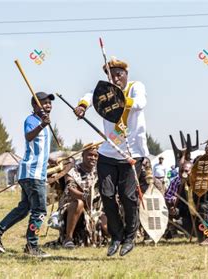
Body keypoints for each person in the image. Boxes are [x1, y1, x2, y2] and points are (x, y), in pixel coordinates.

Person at [74, 57, 149, 256]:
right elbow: (91, 95)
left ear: (126, 75)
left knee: (127, 196)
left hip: (132, 154)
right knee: (107, 195)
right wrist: (82, 106)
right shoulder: (105, 92)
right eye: (111, 75)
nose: (116, 79)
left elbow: (141, 103)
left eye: (119, 75)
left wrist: (119, 98)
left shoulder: (135, 87)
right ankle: (116, 236)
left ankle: (130, 237)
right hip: (108, 152)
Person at [0, 92, 53, 258]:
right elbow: (29, 136)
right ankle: (32, 246)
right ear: (35, 106)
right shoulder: (32, 120)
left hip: (34, 173)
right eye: (44, 103)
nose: (48, 105)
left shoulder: (44, 123)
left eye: (49, 103)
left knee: (24, 209)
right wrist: (42, 125)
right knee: (39, 211)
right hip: (32, 173)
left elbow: (40, 150)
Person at [53, 144, 108, 249]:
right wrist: (85, 196)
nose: (93, 158)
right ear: (82, 155)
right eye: (90, 155)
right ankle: (68, 239)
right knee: (79, 203)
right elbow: (70, 188)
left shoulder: (99, 171)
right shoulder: (72, 170)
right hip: (71, 205)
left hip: (93, 208)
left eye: (96, 156)